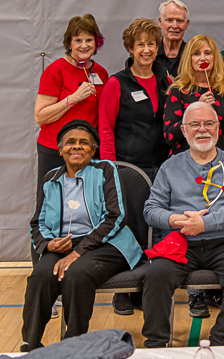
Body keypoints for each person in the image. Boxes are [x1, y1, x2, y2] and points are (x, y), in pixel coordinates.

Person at [22, 121, 143, 352]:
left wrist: (78, 251)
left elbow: (116, 216)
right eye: (70, 143)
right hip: (64, 245)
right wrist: (49, 244)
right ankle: (31, 345)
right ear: (60, 149)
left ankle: (73, 347)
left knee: (76, 273)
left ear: (93, 150)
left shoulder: (106, 170)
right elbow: (36, 223)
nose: (76, 147)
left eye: (83, 143)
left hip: (107, 243)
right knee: (40, 276)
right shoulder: (50, 178)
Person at [141, 101, 224, 348]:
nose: (202, 129)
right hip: (180, 242)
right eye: (194, 124)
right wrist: (173, 219)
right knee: (156, 274)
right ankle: (157, 345)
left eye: (208, 123)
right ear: (184, 131)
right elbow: (150, 210)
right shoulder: (169, 167)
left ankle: (220, 342)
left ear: (218, 128)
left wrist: (204, 224)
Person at [34, 14, 109, 191]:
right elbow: (40, 117)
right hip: (55, 149)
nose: (84, 45)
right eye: (78, 40)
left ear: (96, 43)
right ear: (69, 44)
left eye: (89, 40)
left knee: (82, 202)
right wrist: (72, 99)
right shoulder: (55, 71)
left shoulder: (101, 73)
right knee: (51, 201)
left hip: (86, 152)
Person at [99, 17, 170, 181]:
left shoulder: (167, 82)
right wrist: (110, 169)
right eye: (140, 44)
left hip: (162, 167)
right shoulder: (116, 84)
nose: (147, 50)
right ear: (130, 48)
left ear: (157, 47)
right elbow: (105, 131)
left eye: (151, 44)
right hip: (128, 168)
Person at [163, 34, 224, 158]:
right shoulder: (178, 91)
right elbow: (169, 136)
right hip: (187, 163)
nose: (203, 58)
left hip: (222, 162)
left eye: (208, 53)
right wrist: (196, 109)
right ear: (189, 59)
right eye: (196, 54)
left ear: (214, 58)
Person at [155, 0, 190, 77]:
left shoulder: (194, 55)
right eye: (169, 20)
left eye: (180, 21)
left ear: (187, 24)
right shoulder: (149, 55)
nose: (174, 26)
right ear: (160, 22)